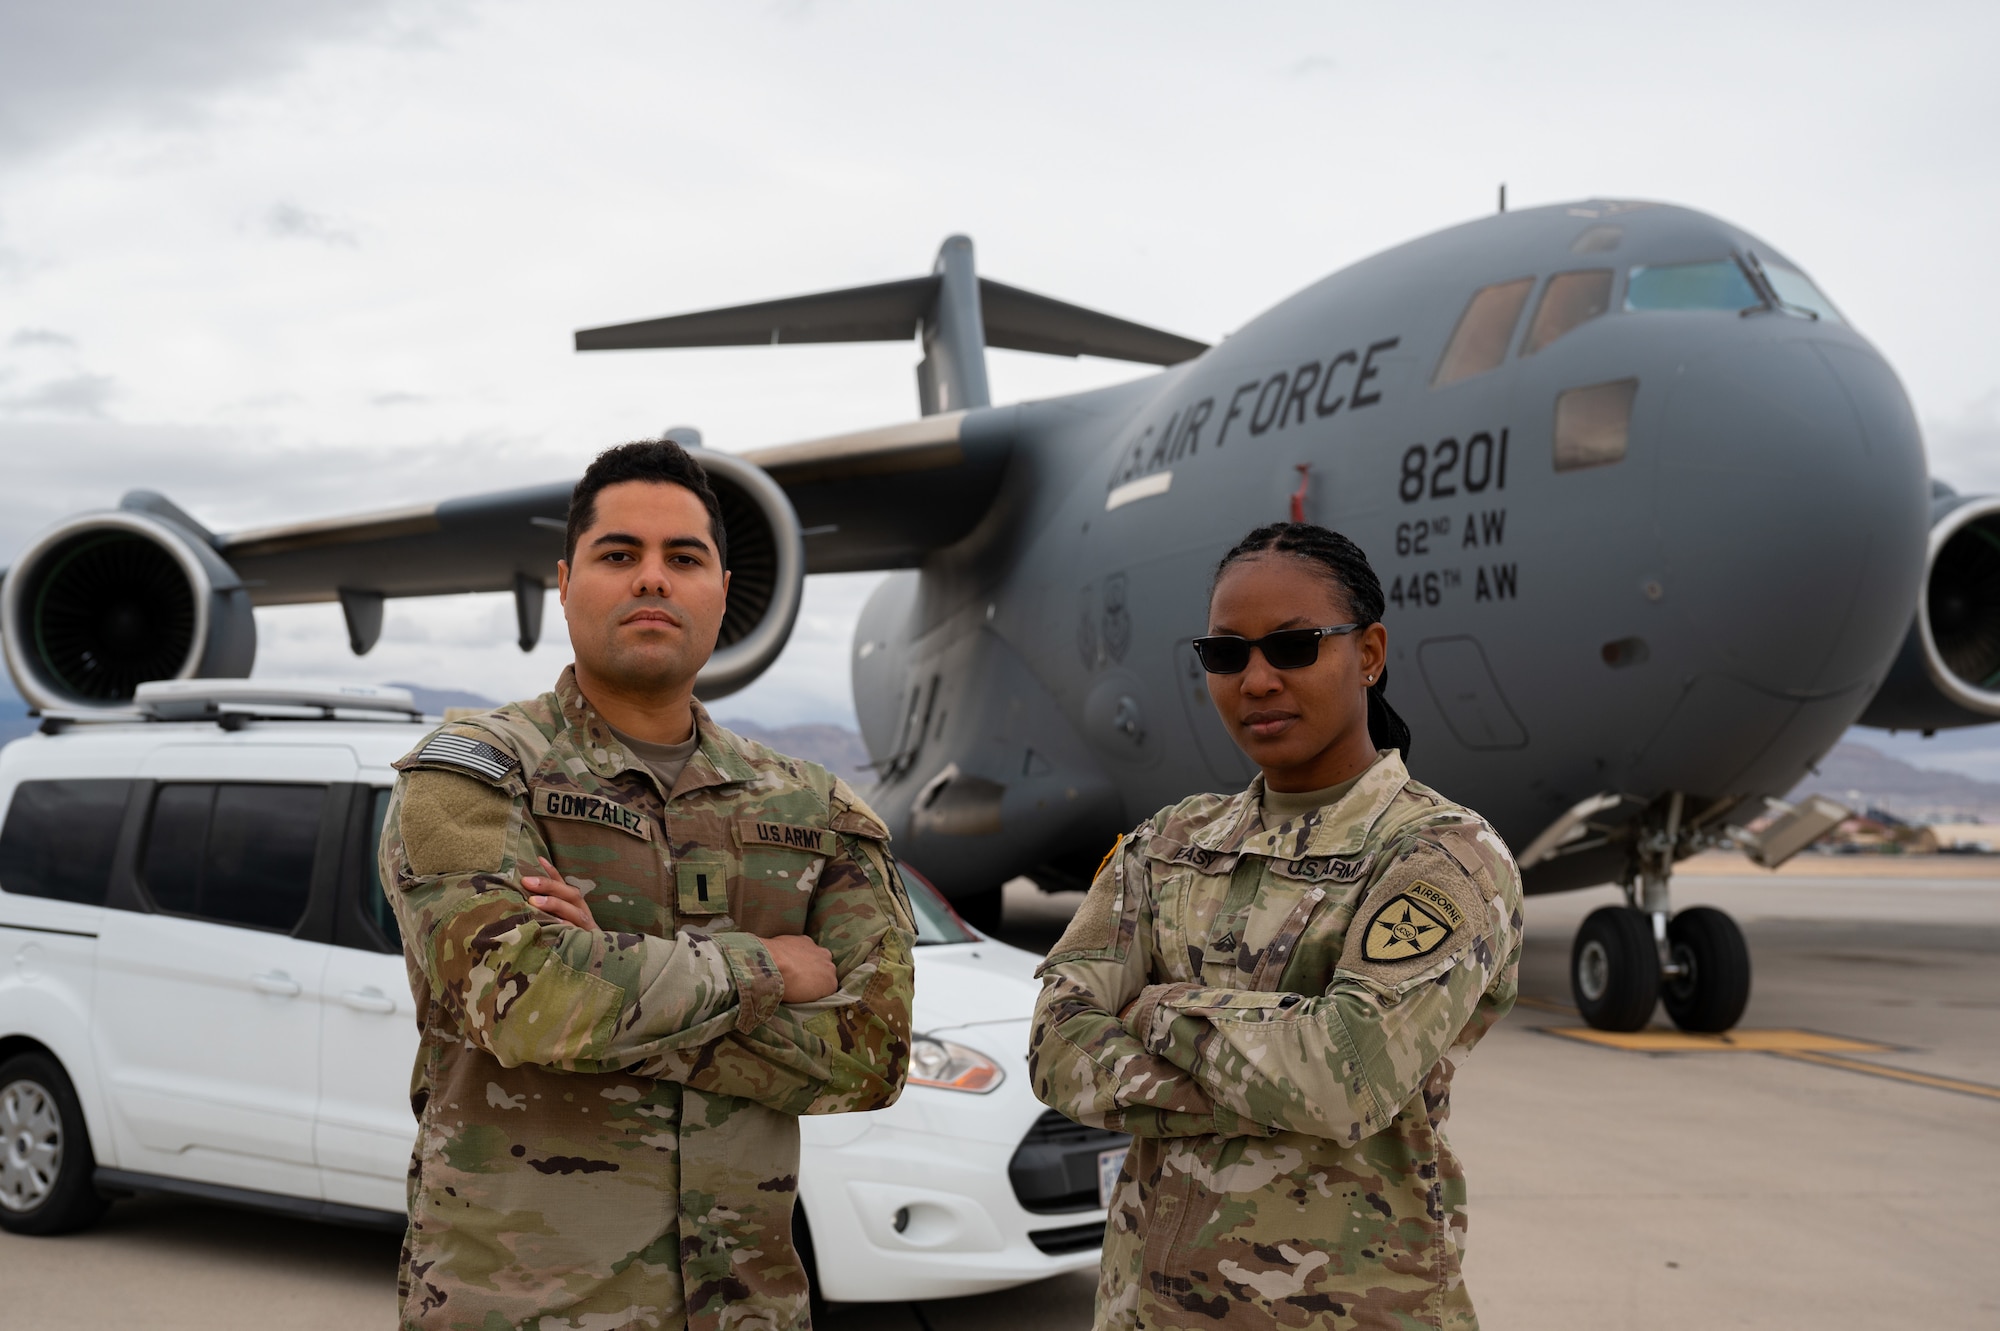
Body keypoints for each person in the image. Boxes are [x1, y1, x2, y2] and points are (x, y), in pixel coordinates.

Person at [379, 439, 915, 1331]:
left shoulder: (813, 806)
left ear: (721, 588)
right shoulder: (474, 774)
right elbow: (524, 1003)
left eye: (683, 558)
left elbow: (875, 1052)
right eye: (620, 554)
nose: (653, 579)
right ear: (565, 580)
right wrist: (767, 971)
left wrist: (605, 979)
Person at [1028, 522, 1522, 1330]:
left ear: (1369, 653)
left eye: (1293, 648)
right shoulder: (1170, 842)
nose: (1255, 680)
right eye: (1227, 654)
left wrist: (1152, 1008)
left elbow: (1343, 1076)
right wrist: (1261, 1073)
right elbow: (1053, 1044)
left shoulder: (1443, 855)